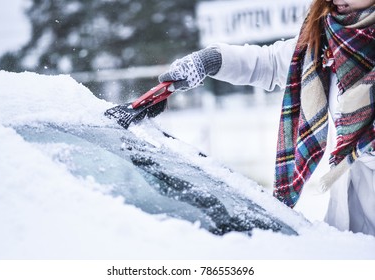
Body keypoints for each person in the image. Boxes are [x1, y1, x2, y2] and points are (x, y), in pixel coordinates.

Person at [158, 0, 375, 236]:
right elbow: (270, 63)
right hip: (349, 232)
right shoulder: (326, 40)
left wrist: (366, 149)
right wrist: (211, 60)